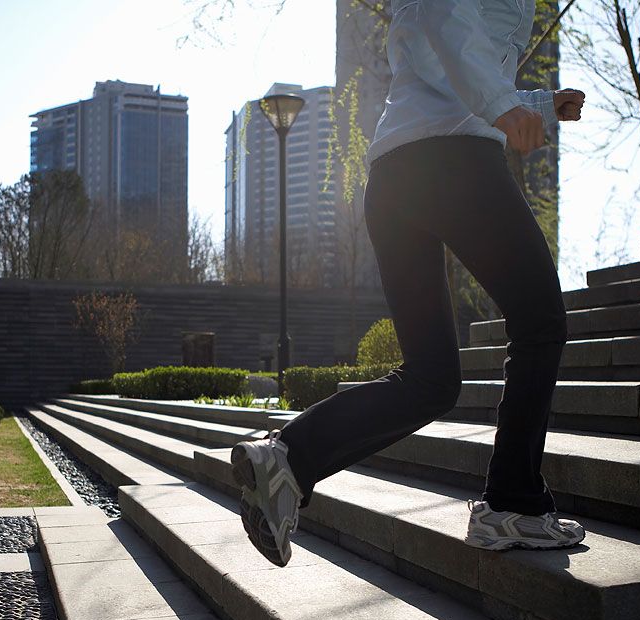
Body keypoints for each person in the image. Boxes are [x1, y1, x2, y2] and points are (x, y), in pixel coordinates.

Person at [231, 0, 587, 566]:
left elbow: (438, 59)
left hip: (399, 173)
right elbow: (447, 17)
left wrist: (538, 104)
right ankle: (513, 504)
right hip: (454, 160)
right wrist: (504, 106)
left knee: (431, 378)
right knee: (540, 319)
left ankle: (289, 458)